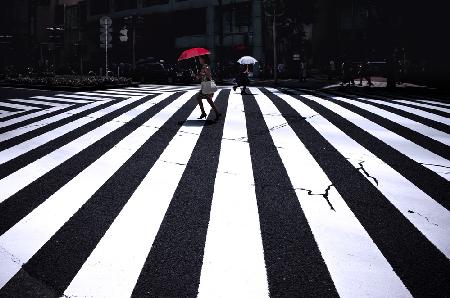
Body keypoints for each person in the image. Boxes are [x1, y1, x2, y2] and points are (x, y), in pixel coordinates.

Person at [196, 55, 221, 121]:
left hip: (207, 86)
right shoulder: (204, 66)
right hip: (205, 86)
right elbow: (204, 75)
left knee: (199, 98)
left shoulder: (205, 66)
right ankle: (216, 113)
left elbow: (208, 76)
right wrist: (200, 75)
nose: (199, 60)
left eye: (200, 59)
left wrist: (201, 75)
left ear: (203, 59)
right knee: (208, 99)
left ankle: (204, 113)